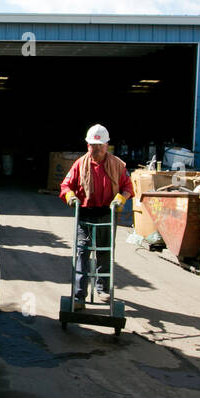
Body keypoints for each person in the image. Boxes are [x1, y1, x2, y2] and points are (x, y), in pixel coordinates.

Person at [59, 124, 133, 304]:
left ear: (107, 145)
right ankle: (79, 294)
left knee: (104, 252)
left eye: (100, 146)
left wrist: (121, 200)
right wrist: (70, 197)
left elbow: (128, 187)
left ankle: (102, 289)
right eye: (94, 146)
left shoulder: (117, 165)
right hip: (85, 213)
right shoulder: (80, 164)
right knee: (82, 252)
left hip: (107, 214)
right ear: (88, 146)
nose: (97, 149)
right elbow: (66, 185)